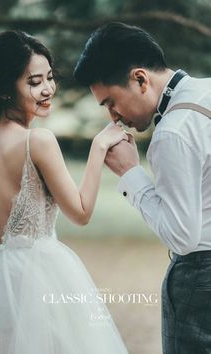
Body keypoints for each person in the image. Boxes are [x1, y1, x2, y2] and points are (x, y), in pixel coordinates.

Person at [0, 30, 130, 354]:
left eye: (49, 77)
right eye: (34, 82)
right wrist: (98, 147)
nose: (48, 89)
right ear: (4, 89)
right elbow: (81, 212)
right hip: (38, 280)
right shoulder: (38, 141)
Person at [74, 22, 211, 354]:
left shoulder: (172, 134)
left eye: (111, 102)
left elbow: (182, 236)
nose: (113, 117)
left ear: (139, 79)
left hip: (200, 280)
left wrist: (130, 174)